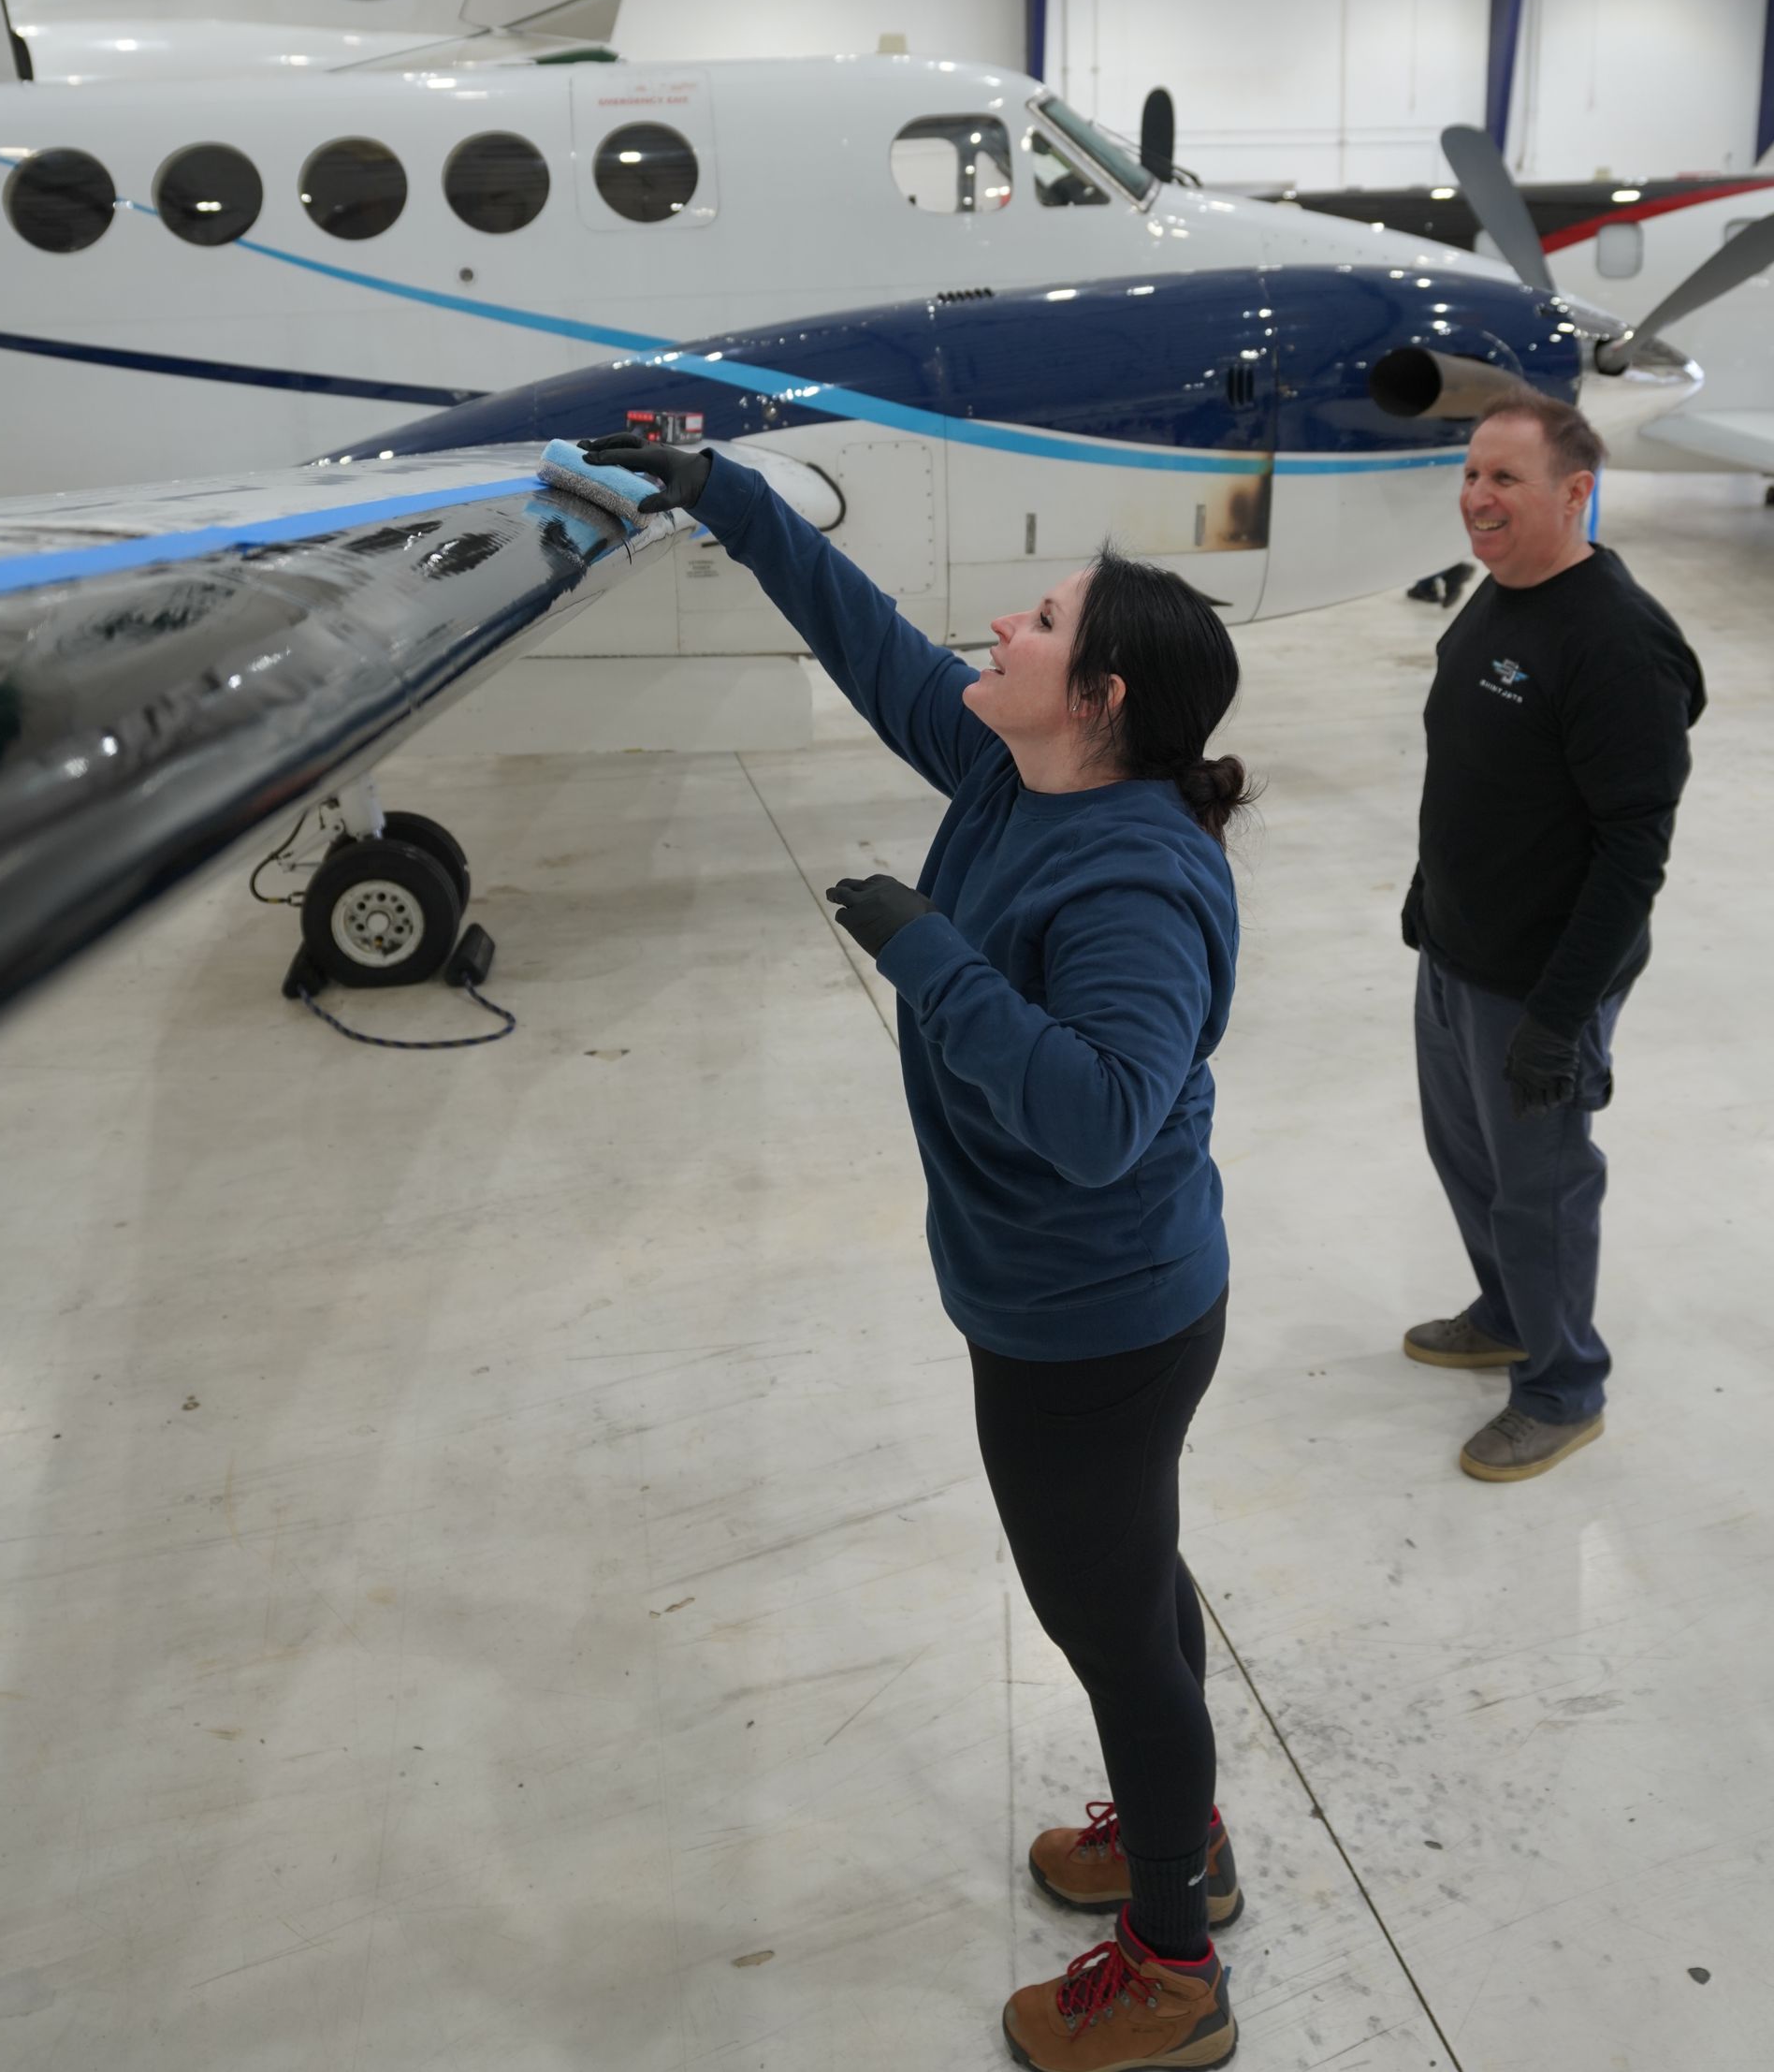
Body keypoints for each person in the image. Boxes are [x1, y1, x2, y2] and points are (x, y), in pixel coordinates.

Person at [585, 430, 1253, 2072]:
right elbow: (869, 633)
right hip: (1058, 1297)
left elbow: (1100, 1112)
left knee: (1106, 1620)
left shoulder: (1135, 878)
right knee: (1134, 1581)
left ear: (1094, 694)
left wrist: (930, 954)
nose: (996, 637)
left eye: (1035, 621)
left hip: (1095, 1321)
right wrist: (725, 493)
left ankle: (1172, 1961)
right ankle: (1194, 1839)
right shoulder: (1011, 773)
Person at [1400, 386, 1705, 1482]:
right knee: (1467, 1155)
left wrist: (1560, 1018)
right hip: (1458, 949)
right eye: (1473, 473)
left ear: (1576, 491)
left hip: (1542, 978)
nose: (1477, 497)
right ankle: (1507, 1308)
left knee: (1543, 1182)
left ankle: (1563, 1385)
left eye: (1505, 478)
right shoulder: (1497, 597)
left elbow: (1634, 853)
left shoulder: (1616, 640)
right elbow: (1473, 771)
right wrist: (1427, 895)